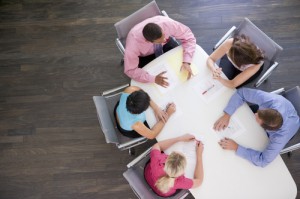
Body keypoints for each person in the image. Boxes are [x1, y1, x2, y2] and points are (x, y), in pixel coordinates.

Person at [214, 88, 300, 167]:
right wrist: (227, 114)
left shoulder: (279, 138)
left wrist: (236, 147)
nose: (255, 114)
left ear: (265, 128)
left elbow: (263, 161)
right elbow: (242, 93)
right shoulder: (272, 101)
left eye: (258, 117)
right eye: (258, 112)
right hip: (283, 107)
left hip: (290, 126)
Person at [124, 15, 196, 87]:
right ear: (147, 41)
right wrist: (153, 79)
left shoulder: (167, 23)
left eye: (164, 36)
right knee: (150, 84)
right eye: (159, 41)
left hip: (165, 46)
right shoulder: (133, 45)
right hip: (146, 55)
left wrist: (186, 61)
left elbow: (189, 37)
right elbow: (130, 70)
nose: (164, 40)